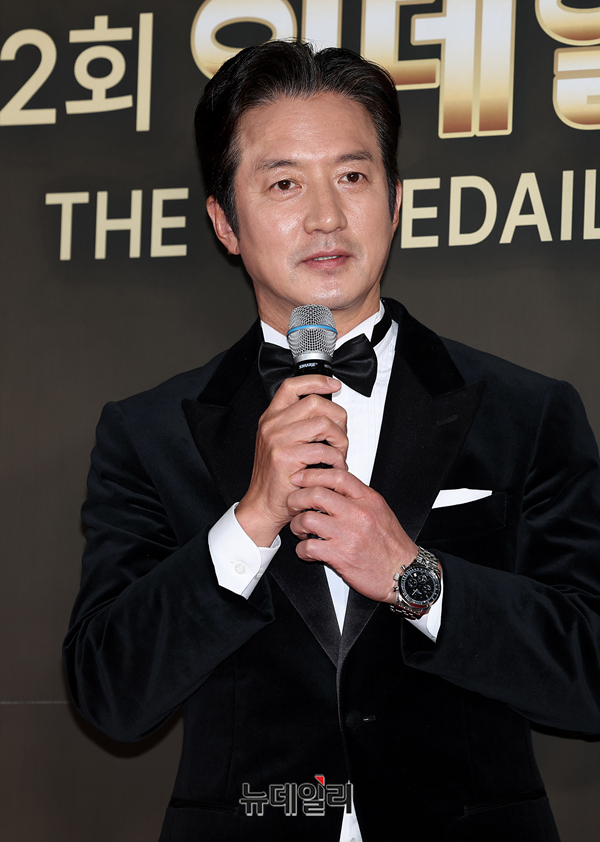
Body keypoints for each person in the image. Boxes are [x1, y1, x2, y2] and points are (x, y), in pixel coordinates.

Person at [63, 40, 600, 842]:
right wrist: (248, 523)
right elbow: (111, 694)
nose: (325, 216)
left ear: (394, 202)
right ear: (225, 222)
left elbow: (588, 673)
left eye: (352, 176)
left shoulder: (526, 412)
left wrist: (413, 577)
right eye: (284, 183)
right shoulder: (149, 433)